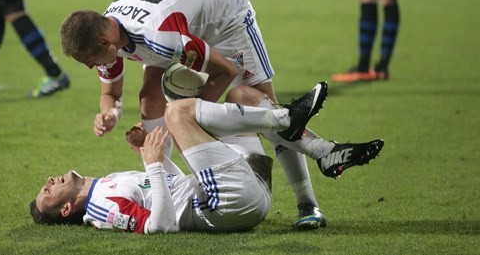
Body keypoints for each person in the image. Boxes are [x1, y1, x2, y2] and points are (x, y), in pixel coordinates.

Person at [60, 0, 325, 229]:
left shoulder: (159, 38)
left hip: (224, 16)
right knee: (149, 96)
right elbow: (111, 94)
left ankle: (308, 202)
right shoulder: (110, 33)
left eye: (89, 61)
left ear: (104, 42)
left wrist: (191, 117)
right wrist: (111, 114)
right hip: (178, 22)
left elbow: (225, 72)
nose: (90, 67)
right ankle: (171, 184)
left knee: (262, 103)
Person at [30, 81, 384, 233]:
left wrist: (150, 156)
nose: (49, 181)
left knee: (244, 96)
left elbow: (168, 189)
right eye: (48, 192)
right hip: (224, 202)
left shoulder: (103, 188)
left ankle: (321, 166)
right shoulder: (101, 209)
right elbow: (161, 226)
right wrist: (153, 164)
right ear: (65, 210)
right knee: (177, 112)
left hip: (244, 194)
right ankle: (288, 119)